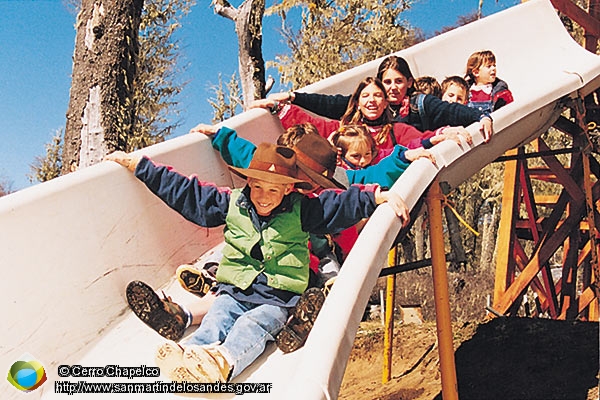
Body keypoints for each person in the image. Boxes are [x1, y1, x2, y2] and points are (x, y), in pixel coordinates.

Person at [106, 143, 409, 383]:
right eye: (258, 186)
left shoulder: (304, 210)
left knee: (255, 325)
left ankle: (224, 363)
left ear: (289, 189)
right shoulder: (233, 202)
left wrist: (377, 196)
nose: (264, 196)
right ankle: (190, 351)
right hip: (235, 289)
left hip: (279, 297)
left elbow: (338, 204)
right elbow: (189, 193)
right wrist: (142, 168)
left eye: (274, 189)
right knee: (218, 317)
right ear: (248, 180)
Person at [259, 55, 493, 142]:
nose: (393, 88)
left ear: (409, 83)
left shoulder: (420, 104)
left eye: (399, 81)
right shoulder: (370, 109)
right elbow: (330, 105)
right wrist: (292, 98)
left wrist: (482, 116)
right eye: (387, 82)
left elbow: (452, 112)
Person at [253, 76, 472, 152]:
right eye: (366, 96)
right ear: (357, 103)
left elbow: (420, 139)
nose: (372, 101)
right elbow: (312, 125)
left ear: (385, 102)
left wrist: (445, 132)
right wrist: (277, 107)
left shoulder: (396, 130)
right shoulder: (343, 130)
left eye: (378, 96)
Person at [328, 124, 433, 170]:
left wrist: (428, 142)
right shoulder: (341, 168)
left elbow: (398, 152)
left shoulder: (376, 157)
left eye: (367, 154)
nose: (363, 160)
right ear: (342, 154)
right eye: (356, 156)